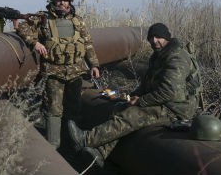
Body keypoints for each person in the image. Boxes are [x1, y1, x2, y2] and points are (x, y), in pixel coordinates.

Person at [68, 22, 201, 167]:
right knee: (121, 108)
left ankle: (85, 139)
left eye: (158, 37)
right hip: (164, 101)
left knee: (131, 115)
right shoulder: (159, 56)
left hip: (176, 107)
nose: (154, 41)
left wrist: (140, 101)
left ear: (166, 38)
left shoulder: (176, 58)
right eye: (151, 38)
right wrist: (131, 96)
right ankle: (101, 152)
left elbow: (169, 92)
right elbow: (146, 84)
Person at [16, 0, 101, 149]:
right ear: (52, 0)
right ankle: (53, 147)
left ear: (70, 1)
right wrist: (34, 43)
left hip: (75, 72)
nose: (62, 3)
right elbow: (22, 27)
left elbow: (88, 43)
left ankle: (73, 144)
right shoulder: (42, 18)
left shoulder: (78, 21)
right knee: (53, 110)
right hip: (53, 72)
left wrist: (94, 65)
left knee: (74, 108)